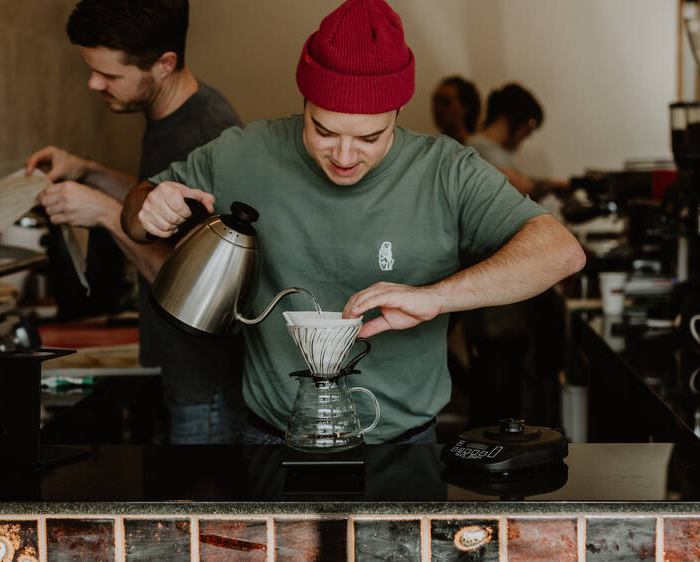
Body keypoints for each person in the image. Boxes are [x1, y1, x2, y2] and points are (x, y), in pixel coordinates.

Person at [121, 0, 585, 445]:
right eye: (323, 130)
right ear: (304, 100)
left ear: (398, 114)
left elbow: (561, 252)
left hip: (406, 443)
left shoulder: (446, 170)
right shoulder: (242, 153)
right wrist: (150, 206)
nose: (343, 157)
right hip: (270, 437)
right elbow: (135, 215)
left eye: (369, 137)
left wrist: (437, 297)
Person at [24, 0, 245, 444]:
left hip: (206, 388)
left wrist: (103, 212)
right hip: (181, 372)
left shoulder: (205, 132)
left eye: (110, 75)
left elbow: (199, 291)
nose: (93, 83)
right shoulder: (171, 116)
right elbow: (159, 198)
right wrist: (88, 170)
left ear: (164, 64)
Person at [467, 83, 567, 198]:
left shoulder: (492, 150)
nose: (529, 135)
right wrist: (554, 185)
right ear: (513, 116)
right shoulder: (478, 146)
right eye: (530, 125)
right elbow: (519, 187)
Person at [431, 76, 481, 144]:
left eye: (446, 102)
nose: (438, 108)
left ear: (465, 107)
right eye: (436, 101)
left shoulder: (477, 149)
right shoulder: (431, 146)